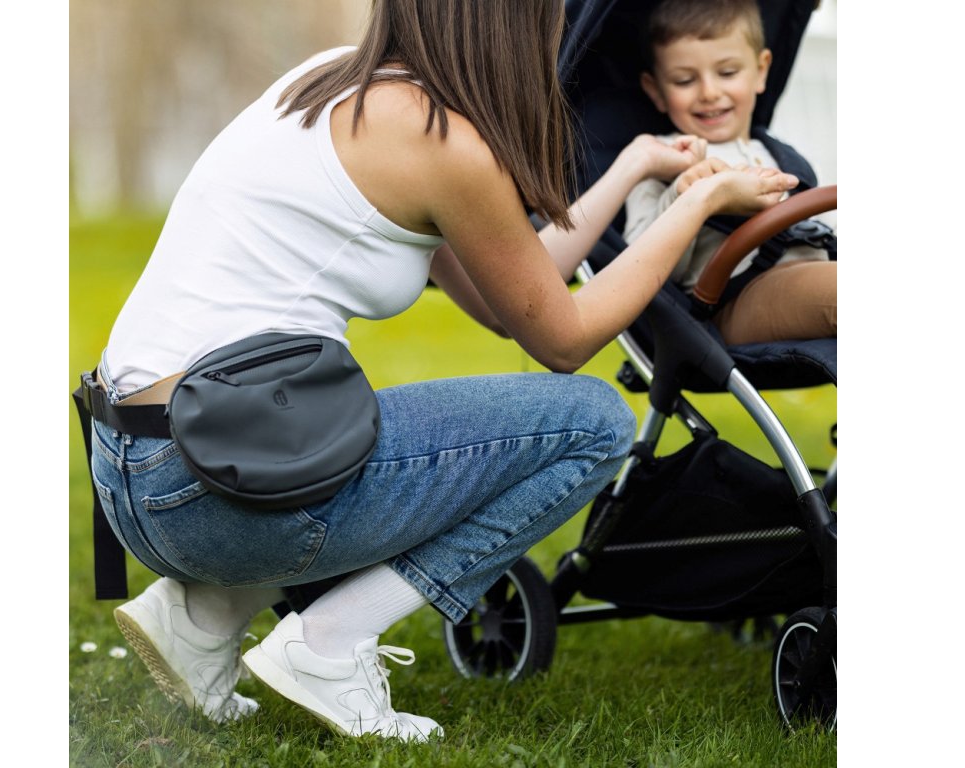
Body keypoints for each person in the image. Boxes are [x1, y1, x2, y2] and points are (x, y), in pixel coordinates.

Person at [88, 0, 797, 742]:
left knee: (438, 440)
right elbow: (564, 339)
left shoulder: (333, 84)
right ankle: (328, 646)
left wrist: (634, 166)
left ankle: (203, 617)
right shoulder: (443, 142)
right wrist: (703, 201)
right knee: (594, 424)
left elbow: (513, 298)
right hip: (206, 483)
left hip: (141, 468)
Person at [625, 0, 836, 346]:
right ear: (656, 90)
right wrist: (681, 198)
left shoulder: (780, 155)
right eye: (684, 80)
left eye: (727, 73)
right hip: (738, 298)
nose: (709, 93)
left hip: (814, 269)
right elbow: (637, 274)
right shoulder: (658, 160)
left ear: (761, 70)